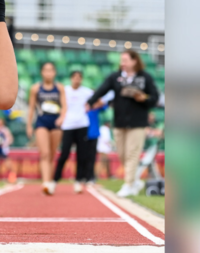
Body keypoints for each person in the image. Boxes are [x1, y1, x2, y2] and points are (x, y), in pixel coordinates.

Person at [86, 50, 159, 197]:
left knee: (132, 153)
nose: (122, 63)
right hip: (119, 122)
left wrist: (143, 98)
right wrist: (90, 102)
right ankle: (135, 182)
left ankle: (128, 184)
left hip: (138, 123)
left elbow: (155, 97)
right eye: (121, 60)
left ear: (134, 61)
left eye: (125, 60)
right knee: (122, 154)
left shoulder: (145, 78)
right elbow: (102, 89)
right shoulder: (115, 77)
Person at [27, 61, 67, 195]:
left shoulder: (59, 87)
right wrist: (29, 125)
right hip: (42, 122)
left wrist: (62, 118)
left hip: (56, 123)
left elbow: (64, 106)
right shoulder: (35, 88)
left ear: (54, 73)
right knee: (44, 153)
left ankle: (50, 181)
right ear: (42, 72)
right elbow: (31, 108)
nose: (48, 73)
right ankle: (45, 182)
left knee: (52, 154)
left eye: (51, 70)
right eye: (46, 70)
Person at [54, 69, 94, 193]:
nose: (77, 79)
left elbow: (101, 99)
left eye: (79, 77)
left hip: (82, 125)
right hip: (68, 126)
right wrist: (61, 116)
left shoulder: (87, 92)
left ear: (81, 79)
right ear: (71, 78)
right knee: (64, 154)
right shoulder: (65, 91)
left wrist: (91, 106)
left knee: (81, 155)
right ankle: (54, 180)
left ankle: (78, 181)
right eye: (75, 77)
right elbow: (58, 104)